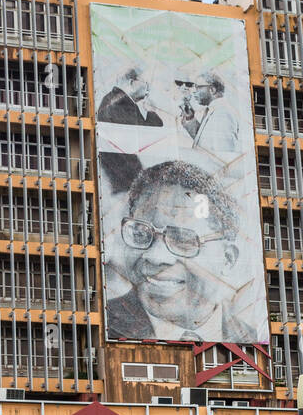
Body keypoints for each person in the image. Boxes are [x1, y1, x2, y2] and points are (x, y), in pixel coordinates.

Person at [105, 160, 265, 343]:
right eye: (141, 233)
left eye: (181, 240)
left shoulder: (253, 340)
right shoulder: (103, 323)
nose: (155, 256)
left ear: (227, 259)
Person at [177, 71, 239, 156]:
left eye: (198, 87)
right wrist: (190, 119)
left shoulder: (223, 114)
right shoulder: (214, 111)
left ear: (212, 90)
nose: (194, 91)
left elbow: (224, 155)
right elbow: (203, 142)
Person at [97, 66, 164, 126]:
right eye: (146, 83)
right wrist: (151, 113)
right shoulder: (125, 104)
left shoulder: (110, 98)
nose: (148, 89)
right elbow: (146, 131)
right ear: (132, 83)